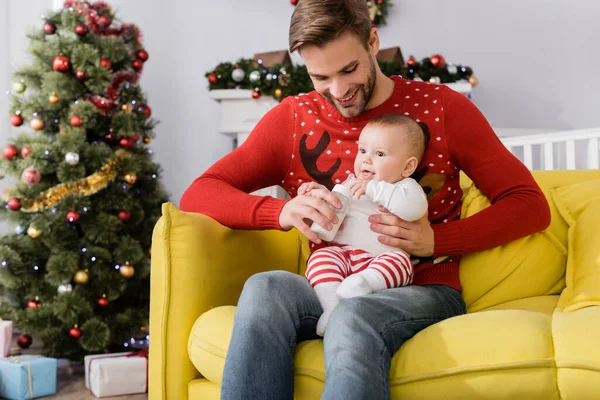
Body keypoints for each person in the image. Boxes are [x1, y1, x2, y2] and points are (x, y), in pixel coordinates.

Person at [180, 0, 551, 398]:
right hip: (330, 282)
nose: (338, 91)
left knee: (355, 314)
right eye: (320, 76)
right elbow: (199, 192)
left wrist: (436, 241)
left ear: (372, 41)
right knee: (265, 288)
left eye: (349, 69)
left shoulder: (443, 108)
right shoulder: (292, 120)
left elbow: (530, 204)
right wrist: (282, 210)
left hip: (421, 288)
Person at [302, 114, 430, 336]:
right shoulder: (350, 184)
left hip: (381, 259)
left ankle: (364, 283)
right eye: (362, 151)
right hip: (345, 256)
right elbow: (331, 218)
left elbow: (414, 209)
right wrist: (321, 197)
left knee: (401, 263)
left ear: (407, 167)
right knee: (320, 257)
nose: (366, 160)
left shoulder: (405, 187)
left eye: (379, 154)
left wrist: (374, 188)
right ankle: (332, 306)